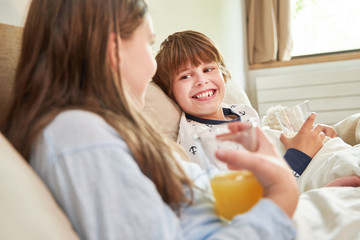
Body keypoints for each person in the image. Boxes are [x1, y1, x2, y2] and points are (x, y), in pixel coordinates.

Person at [3, 0, 299, 239]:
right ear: (113, 50)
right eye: (149, 44)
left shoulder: (106, 126)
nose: (153, 63)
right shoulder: (78, 135)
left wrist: (294, 197)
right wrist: (282, 199)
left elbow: (202, 192)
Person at [152, 30, 337, 177]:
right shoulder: (197, 140)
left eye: (208, 69)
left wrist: (311, 138)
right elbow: (255, 194)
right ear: (171, 93)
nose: (201, 80)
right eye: (185, 76)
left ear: (223, 75)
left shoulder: (243, 111)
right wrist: (299, 154)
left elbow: (268, 152)